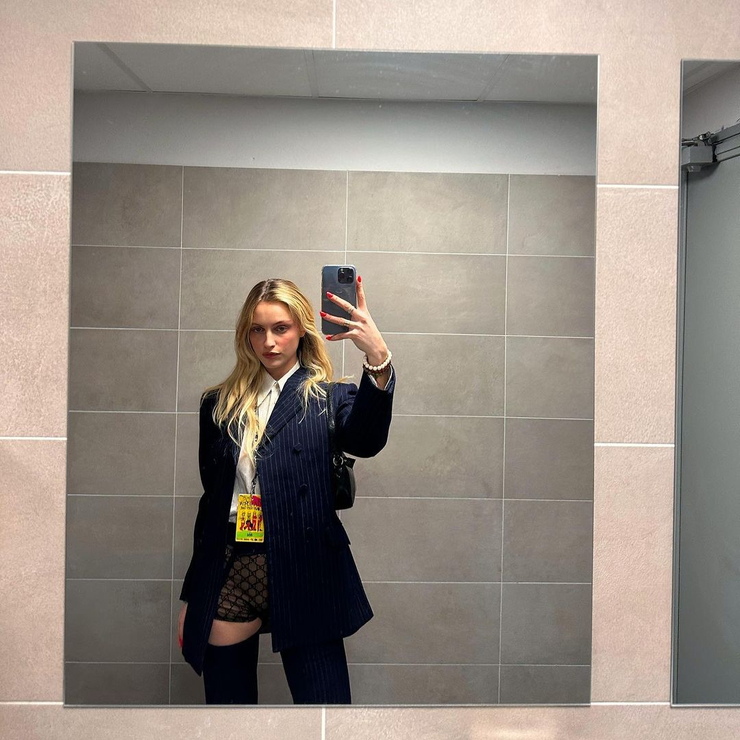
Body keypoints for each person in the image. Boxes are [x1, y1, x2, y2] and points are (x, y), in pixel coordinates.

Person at [177, 275, 395, 705]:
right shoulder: (219, 404)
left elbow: (367, 441)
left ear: (301, 330)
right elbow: (212, 503)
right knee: (229, 716)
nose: (269, 342)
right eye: (257, 330)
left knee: (324, 714)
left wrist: (378, 358)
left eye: (281, 328)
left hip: (306, 568)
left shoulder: (330, 397)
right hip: (233, 569)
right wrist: (194, 594)